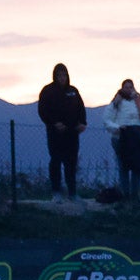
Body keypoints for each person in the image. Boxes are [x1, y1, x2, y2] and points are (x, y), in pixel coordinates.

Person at [36, 63, 87, 202]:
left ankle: (72, 193)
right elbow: (42, 110)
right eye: (59, 75)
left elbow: (81, 108)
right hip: (55, 133)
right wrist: (53, 123)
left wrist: (83, 123)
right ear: (55, 76)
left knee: (71, 162)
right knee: (56, 161)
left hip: (72, 133)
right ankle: (56, 192)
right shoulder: (48, 91)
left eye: (64, 75)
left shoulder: (73, 91)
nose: (62, 78)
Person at [102, 79, 140, 201]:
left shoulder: (139, 101)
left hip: (137, 139)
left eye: (131, 87)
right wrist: (117, 128)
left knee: (137, 166)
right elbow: (107, 119)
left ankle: (134, 195)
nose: (129, 89)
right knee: (123, 167)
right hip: (121, 138)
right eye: (126, 87)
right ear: (122, 88)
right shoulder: (116, 102)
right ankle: (125, 195)